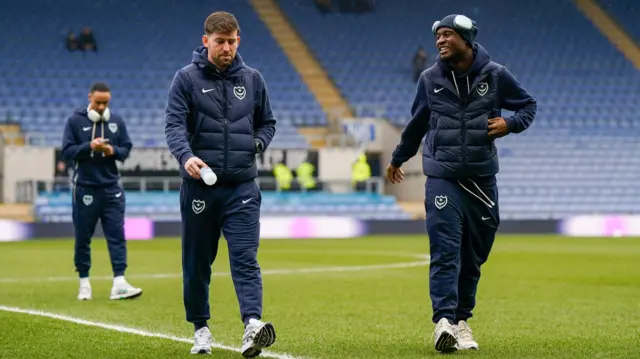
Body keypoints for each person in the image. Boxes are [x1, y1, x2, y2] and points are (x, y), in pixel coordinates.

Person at [385, 14, 537, 353]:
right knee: (445, 249)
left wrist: (510, 123)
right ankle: (444, 322)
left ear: (467, 39)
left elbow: (528, 106)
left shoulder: (496, 75)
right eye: (437, 36)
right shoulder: (429, 78)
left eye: (447, 35)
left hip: (481, 180)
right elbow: (416, 124)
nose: (439, 40)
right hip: (443, 176)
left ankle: (462, 320)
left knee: (474, 255)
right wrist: (398, 158)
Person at [164, 11, 277, 357]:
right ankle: (201, 330)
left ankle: (253, 326)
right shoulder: (185, 79)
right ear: (206, 41)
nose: (227, 47)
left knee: (245, 258)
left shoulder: (253, 79)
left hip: (243, 187)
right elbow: (173, 127)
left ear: (238, 40)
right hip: (200, 190)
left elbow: (267, 123)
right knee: (197, 263)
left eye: (232, 41)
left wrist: (256, 145)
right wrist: (186, 157)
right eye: (220, 42)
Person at [60, 82, 141, 301]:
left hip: (112, 187)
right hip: (85, 188)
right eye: (98, 102)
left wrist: (111, 150)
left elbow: (126, 149)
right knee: (83, 238)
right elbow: (67, 152)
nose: (101, 107)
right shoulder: (75, 121)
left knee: (117, 236)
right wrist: (90, 147)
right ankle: (84, 283)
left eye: (105, 103)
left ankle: (119, 283)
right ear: (89, 98)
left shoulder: (116, 121)